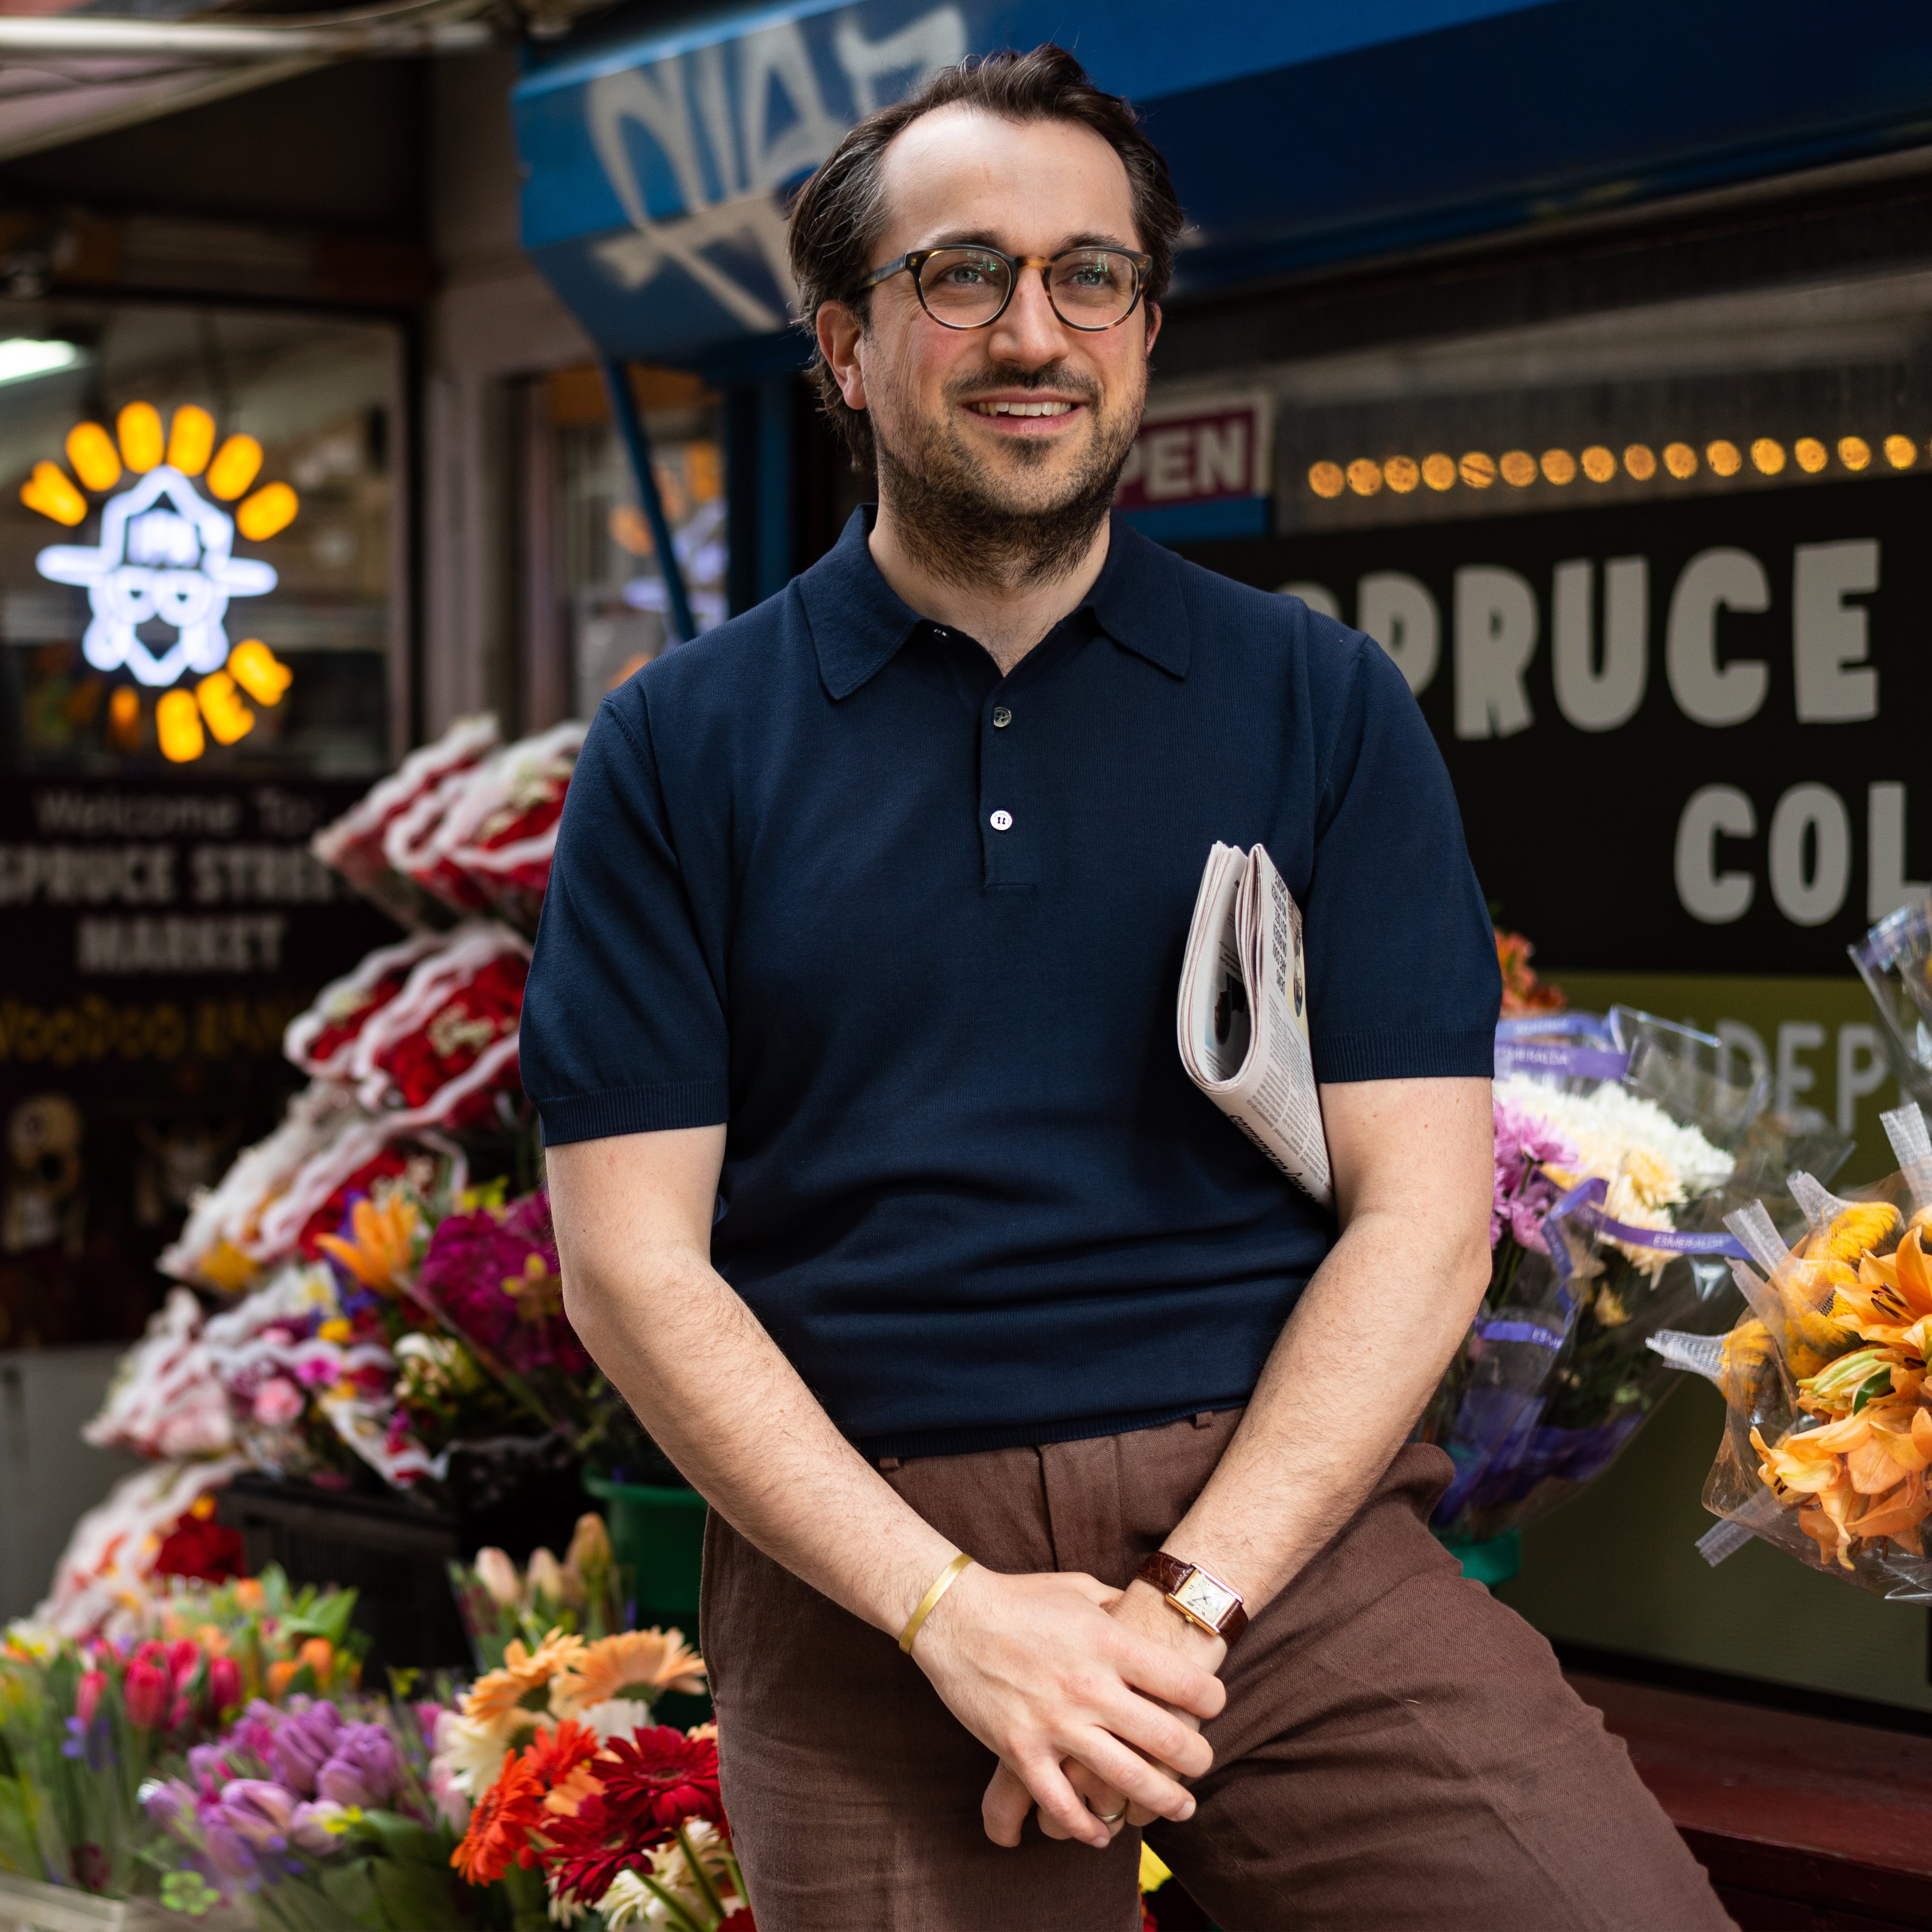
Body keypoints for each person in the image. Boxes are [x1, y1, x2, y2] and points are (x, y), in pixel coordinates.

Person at [522, 44, 1730, 1932]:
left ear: (1144, 334)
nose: (1033, 329)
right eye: (961, 273)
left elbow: (1418, 1218)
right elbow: (632, 1265)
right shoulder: (678, 747)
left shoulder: (1314, 702)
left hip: (1280, 1539)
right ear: (841, 343)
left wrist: (1183, 1605)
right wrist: (948, 1609)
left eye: (1089, 276)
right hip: (866, 1558)